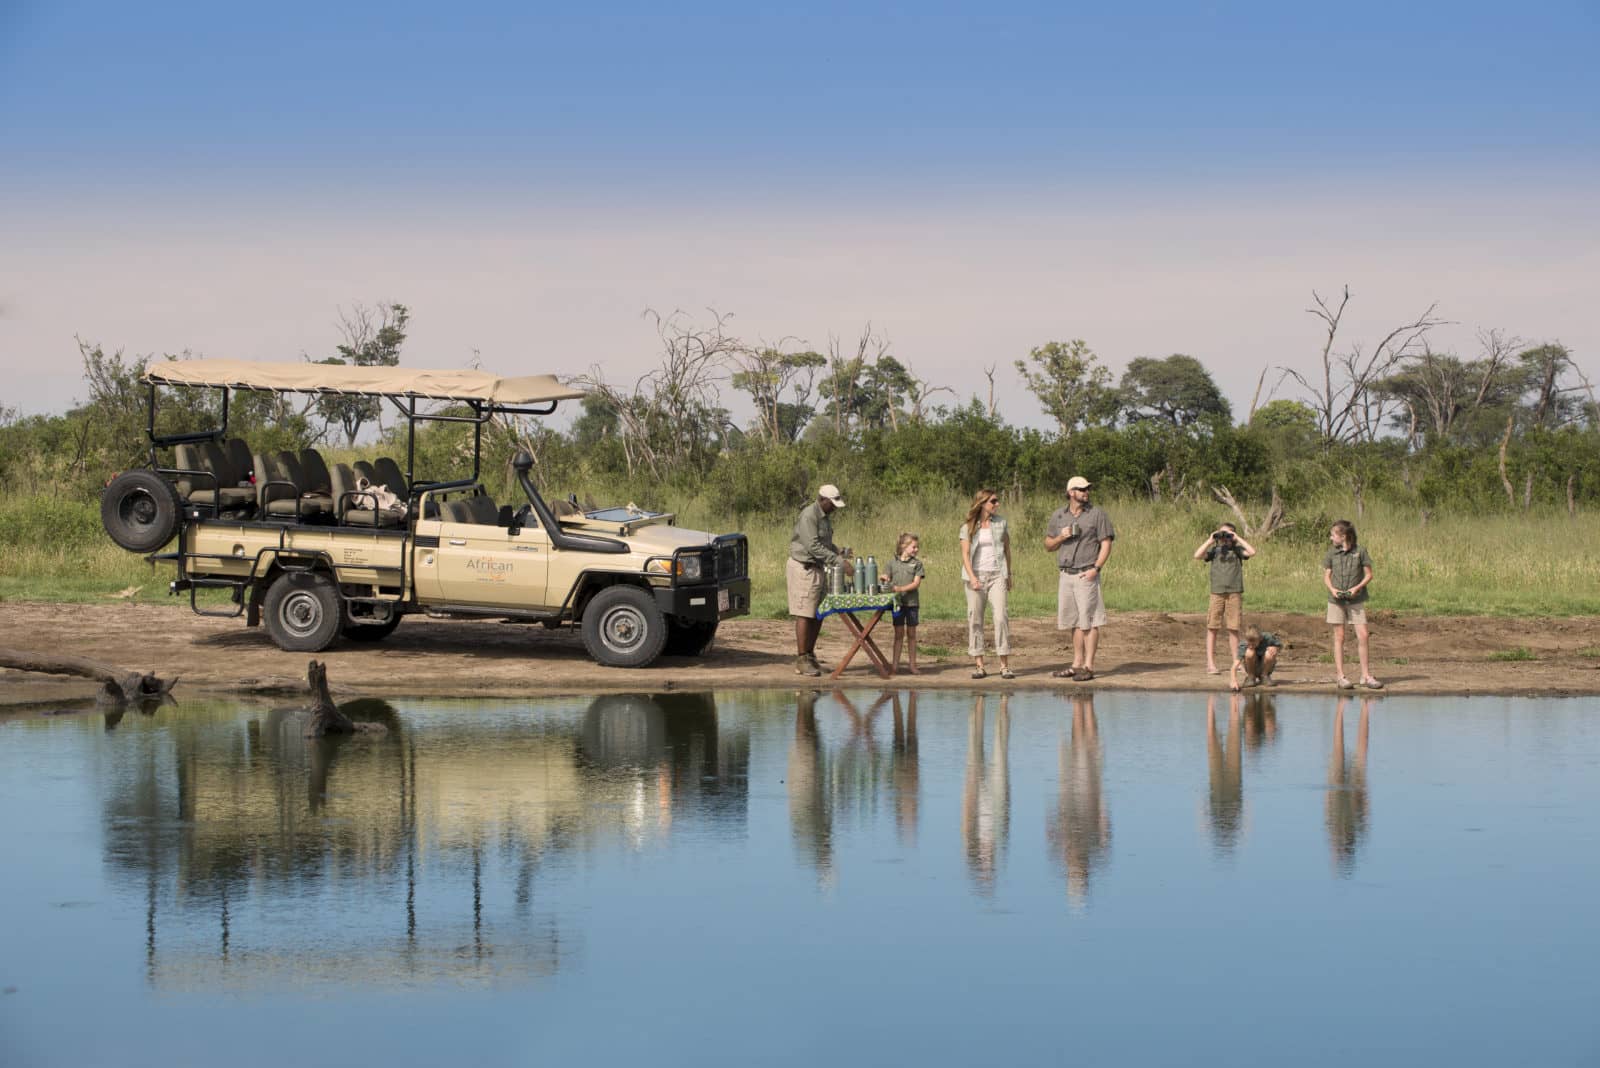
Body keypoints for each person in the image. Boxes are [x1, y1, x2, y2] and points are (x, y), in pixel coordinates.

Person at [1044, 476, 1115, 681]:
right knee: (1074, 622)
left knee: (1090, 621)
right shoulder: (1059, 516)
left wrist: (1096, 568)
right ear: (1071, 492)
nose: (1086, 492)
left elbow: (1106, 543)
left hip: (1086, 573)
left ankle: (1089, 666)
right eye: (1082, 489)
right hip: (1066, 573)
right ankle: (1076, 664)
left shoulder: (1097, 514)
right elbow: (1048, 545)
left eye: (1087, 489)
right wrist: (1061, 537)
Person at [787, 484, 850, 677]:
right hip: (803, 568)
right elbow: (813, 546)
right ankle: (801, 659)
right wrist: (839, 561)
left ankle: (810, 656)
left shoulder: (825, 518)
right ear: (823, 500)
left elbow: (825, 543)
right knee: (804, 613)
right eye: (832, 503)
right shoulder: (809, 515)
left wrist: (839, 551)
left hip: (817, 568)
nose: (834, 508)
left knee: (817, 613)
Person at [960, 488, 1014, 680]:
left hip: (997, 574)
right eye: (993, 501)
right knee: (975, 618)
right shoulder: (968, 527)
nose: (997, 504)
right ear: (982, 503)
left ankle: (1004, 665)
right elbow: (965, 555)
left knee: (1000, 616)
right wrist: (973, 577)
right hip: (975, 576)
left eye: (997, 501)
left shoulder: (1001, 523)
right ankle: (979, 664)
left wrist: (1009, 574)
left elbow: (1007, 550)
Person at [1323, 519, 1382, 690]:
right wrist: (1333, 589)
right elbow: (1327, 575)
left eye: (1333, 535)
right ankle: (1340, 676)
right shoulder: (1331, 553)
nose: (1331, 538)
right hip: (1336, 600)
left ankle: (1365, 676)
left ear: (1344, 536)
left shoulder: (1360, 551)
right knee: (1339, 636)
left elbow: (1369, 575)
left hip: (1356, 599)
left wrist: (1357, 588)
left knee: (1363, 635)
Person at [1194, 521, 1256, 674]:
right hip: (1217, 593)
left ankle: (1237, 662)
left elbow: (1252, 552)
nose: (1224, 537)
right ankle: (1210, 664)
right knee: (1212, 627)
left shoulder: (1237, 550)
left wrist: (1237, 538)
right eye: (1222, 534)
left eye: (1227, 534)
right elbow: (1197, 555)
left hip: (1234, 592)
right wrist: (1210, 540)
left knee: (1233, 628)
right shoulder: (1215, 551)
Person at [885, 532, 926, 675]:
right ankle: (894, 666)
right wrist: (884, 578)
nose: (916, 550)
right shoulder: (891, 563)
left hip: (912, 603)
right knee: (898, 634)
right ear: (903, 546)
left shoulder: (917, 564)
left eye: (917, 547)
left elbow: (916, 584)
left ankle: (912, 665)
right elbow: (886, 578)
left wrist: (901, 588)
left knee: (912, 634)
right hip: (898, 604)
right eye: (914, 547)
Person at [1229, 624, 1283, 691]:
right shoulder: (1243, 644)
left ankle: (1264, 677)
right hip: (1252, 667)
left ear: (1260, 639)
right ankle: (1251, 677)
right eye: (1249, 644)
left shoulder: (1268, 638)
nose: (1251, 646)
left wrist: (1275, 648)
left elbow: (1280, 646)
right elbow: (1234, 666)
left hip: (1265, 666)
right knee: (1249, 652)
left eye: (1253, 644)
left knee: (1269, 653)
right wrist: (1233, 681)